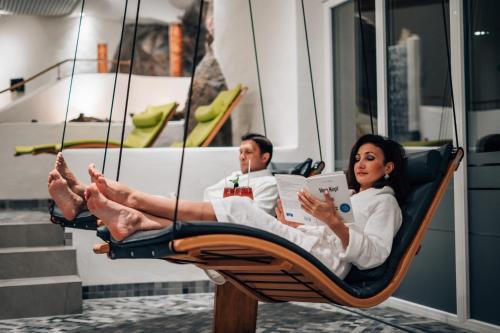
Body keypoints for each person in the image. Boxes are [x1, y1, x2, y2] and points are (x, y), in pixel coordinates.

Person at [80, 134, 408, 279]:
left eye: (370, 158)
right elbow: (326, 230)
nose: (360, 163)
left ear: (388, 167)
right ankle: (132, 217)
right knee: (235, 211)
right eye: (357, 157)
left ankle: (134, 201)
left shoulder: (385, 203)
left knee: (239, 210)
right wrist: (295, 221)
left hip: (327, 262)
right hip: (308, 245)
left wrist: (332, 221)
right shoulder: (351, 196)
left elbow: (374, 254)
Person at [48, 133, 278, 220]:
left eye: (248, 152)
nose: (242, 156)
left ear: (265, 157)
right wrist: (232, 196)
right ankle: (80, 200)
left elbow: (256, 214)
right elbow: (212, 195)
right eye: (240, 151)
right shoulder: (237, 177)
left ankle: (106, 197)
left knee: (140, 202)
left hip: (226, 222)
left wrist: (232, 198)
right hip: (211, 213)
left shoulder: (269, 183)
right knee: (151, 208)